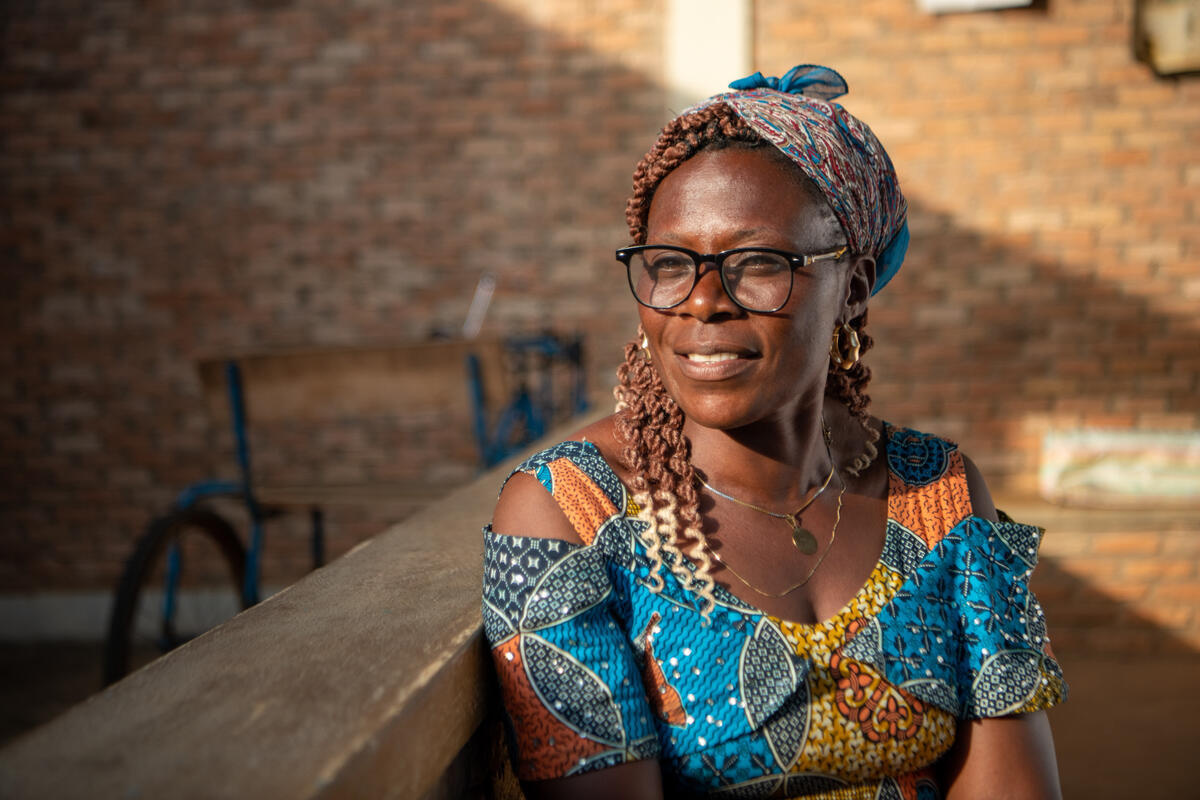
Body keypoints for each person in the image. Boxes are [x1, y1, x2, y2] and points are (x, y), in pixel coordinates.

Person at [482, 64, 1066, 800]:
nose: (702, 302)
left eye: (757, 263)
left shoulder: (936, 492)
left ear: (854, 287)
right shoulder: (571, 510)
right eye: (670, 264)